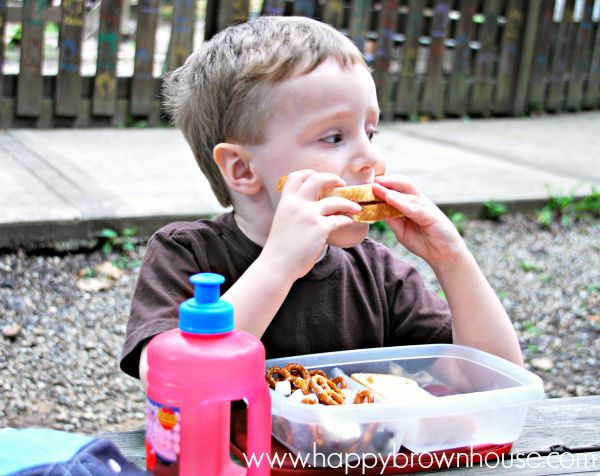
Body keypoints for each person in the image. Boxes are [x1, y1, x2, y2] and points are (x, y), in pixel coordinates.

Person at [120, 16, 523, 389]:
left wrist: (453, 261)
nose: (372, 159)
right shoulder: (188, 254)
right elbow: (168, 378)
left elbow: (492, 381)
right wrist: (279, 264)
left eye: (370, 132)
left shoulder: (378, 275)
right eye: (334, 137)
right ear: (243, 169)